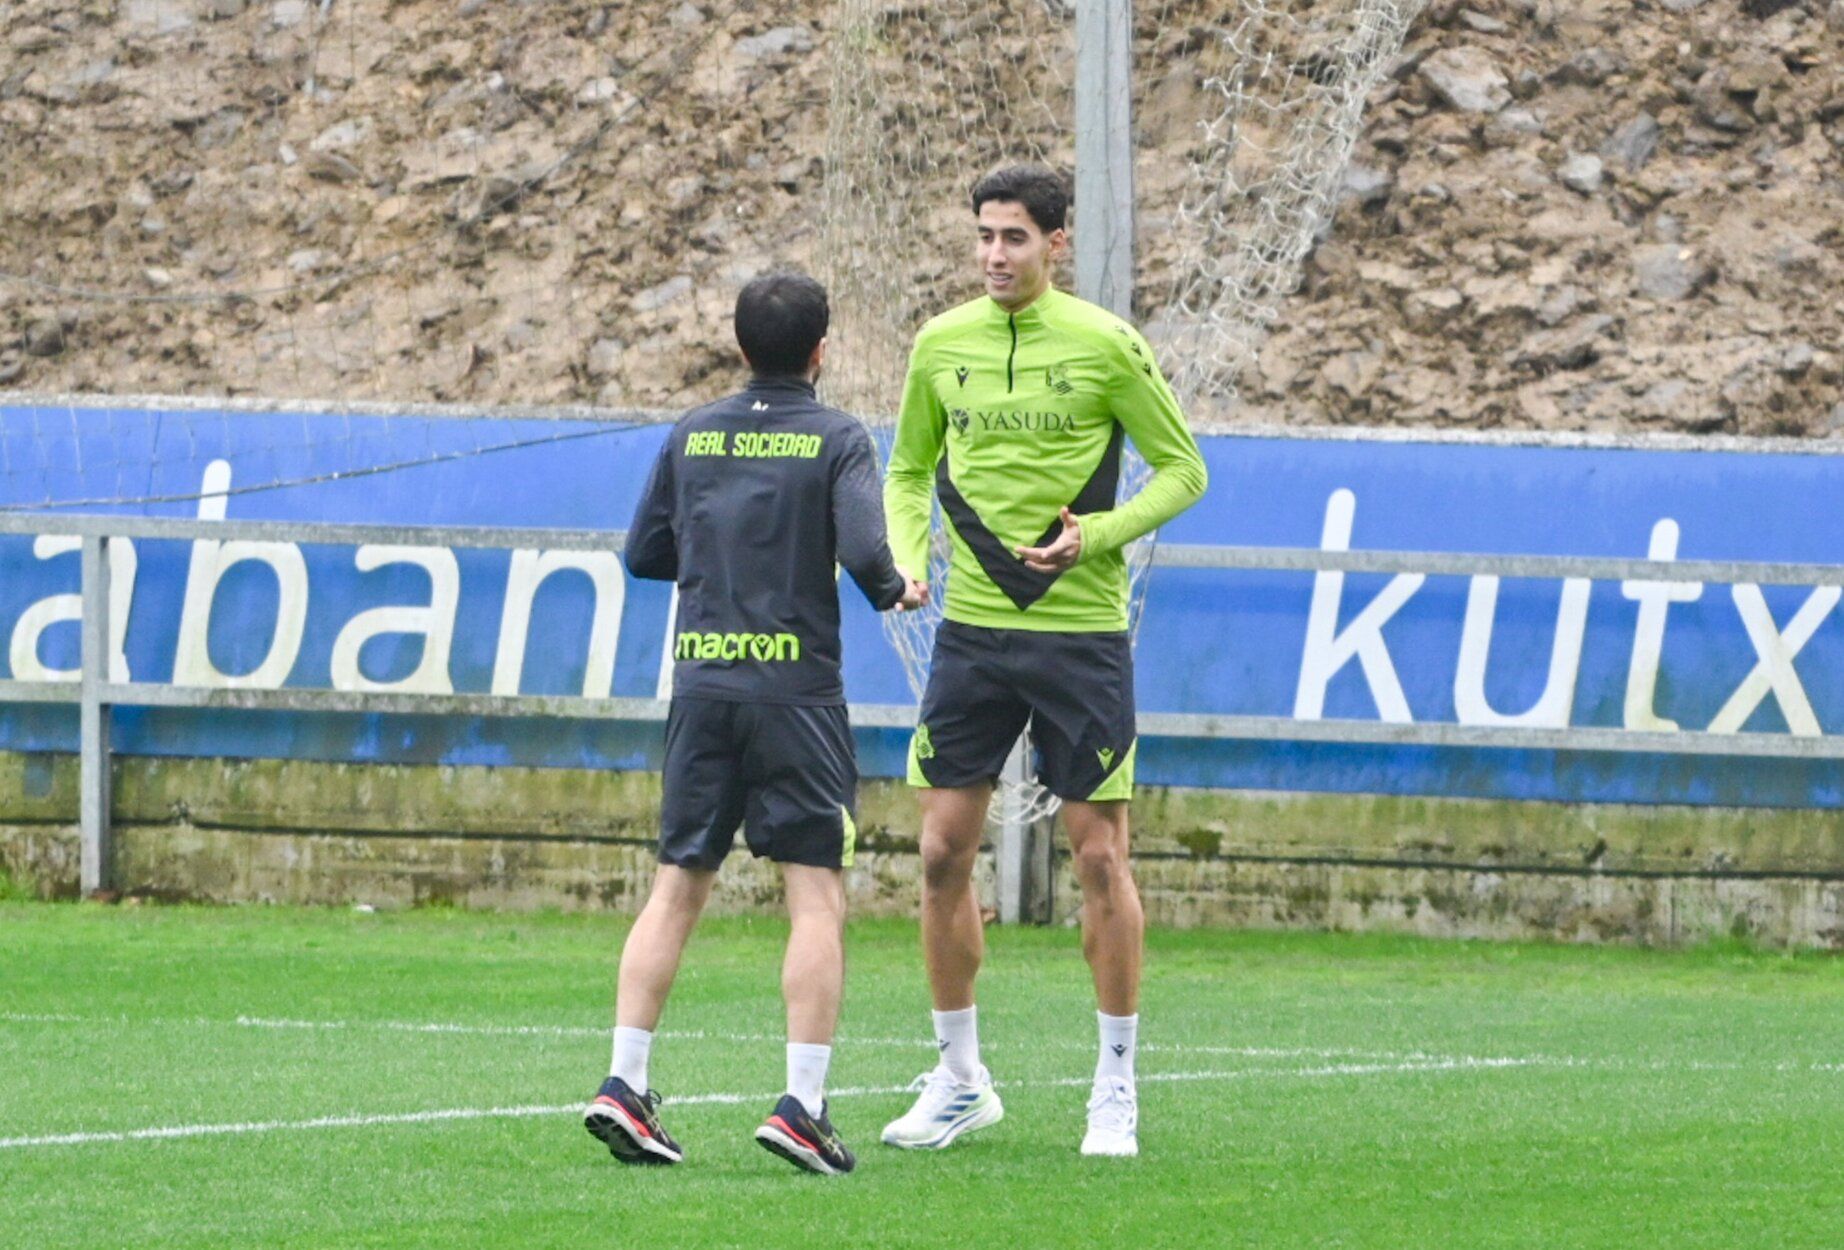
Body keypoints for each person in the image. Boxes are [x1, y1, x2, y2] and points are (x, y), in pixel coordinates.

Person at [879, 165, 1207, 1158]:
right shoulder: (941, 344)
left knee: (1098, 854)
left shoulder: (1106, 345)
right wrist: (903, 558)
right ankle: (959, 1077)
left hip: (1080, 636)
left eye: (1013, 237)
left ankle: (1114, 1082)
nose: (992, 255)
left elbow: (1185, 469)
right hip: (971, 636)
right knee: (937, 850)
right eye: (983, 235)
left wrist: (1095, 535)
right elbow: (905, 467)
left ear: (1054, 244)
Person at [584, 270, 926, 1177]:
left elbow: (646, 552)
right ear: (823, 351)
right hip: (795, 699)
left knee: (676, 884)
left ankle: (624, 1081)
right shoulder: (838, 437)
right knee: (815, 894)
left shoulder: (694, 431)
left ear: (740, 348)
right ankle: (803, 1106)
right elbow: (862, 549)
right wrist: (898, 586)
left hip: (701, 690)